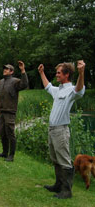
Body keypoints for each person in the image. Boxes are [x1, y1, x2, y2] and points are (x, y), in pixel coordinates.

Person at [38, 60, 85, 199]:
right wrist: (41, 73)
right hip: (52, 130)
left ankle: (67, 191)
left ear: (67, 74)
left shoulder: (71, 90)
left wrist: (81, 72)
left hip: (61, 131)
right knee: (55, 159)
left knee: (64, 160)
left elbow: (79, 89)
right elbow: (47, 86)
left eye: (59, 73)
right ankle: (58, 185)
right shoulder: (58, 90)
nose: (56, 75)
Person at [0, 61, 28, 162]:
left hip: (10, 112)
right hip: (2, 111)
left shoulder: (15, 81)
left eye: (7, 69)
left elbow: (24, 84)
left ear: (11, 72)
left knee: (10, 134)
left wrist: (23, 70)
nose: (4, 70)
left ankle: (11, 155)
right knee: (2, 133)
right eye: (4, 69)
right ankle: (4, 153)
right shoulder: (2, 81)